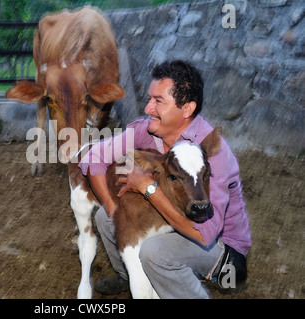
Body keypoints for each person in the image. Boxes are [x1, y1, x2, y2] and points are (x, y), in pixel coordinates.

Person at [78, 60, 251, 298]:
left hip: (220, 246)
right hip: (179, 219)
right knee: (105, 216)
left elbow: (205, 232)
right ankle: (130, 275)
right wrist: (111, 207)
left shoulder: (213, 152)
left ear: (187, 109)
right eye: (150, 99)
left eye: (158, 101)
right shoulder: (147, 130)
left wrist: (148, 188)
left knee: (154, 252)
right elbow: (93, 157)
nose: (148, 108)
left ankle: (179, 280)